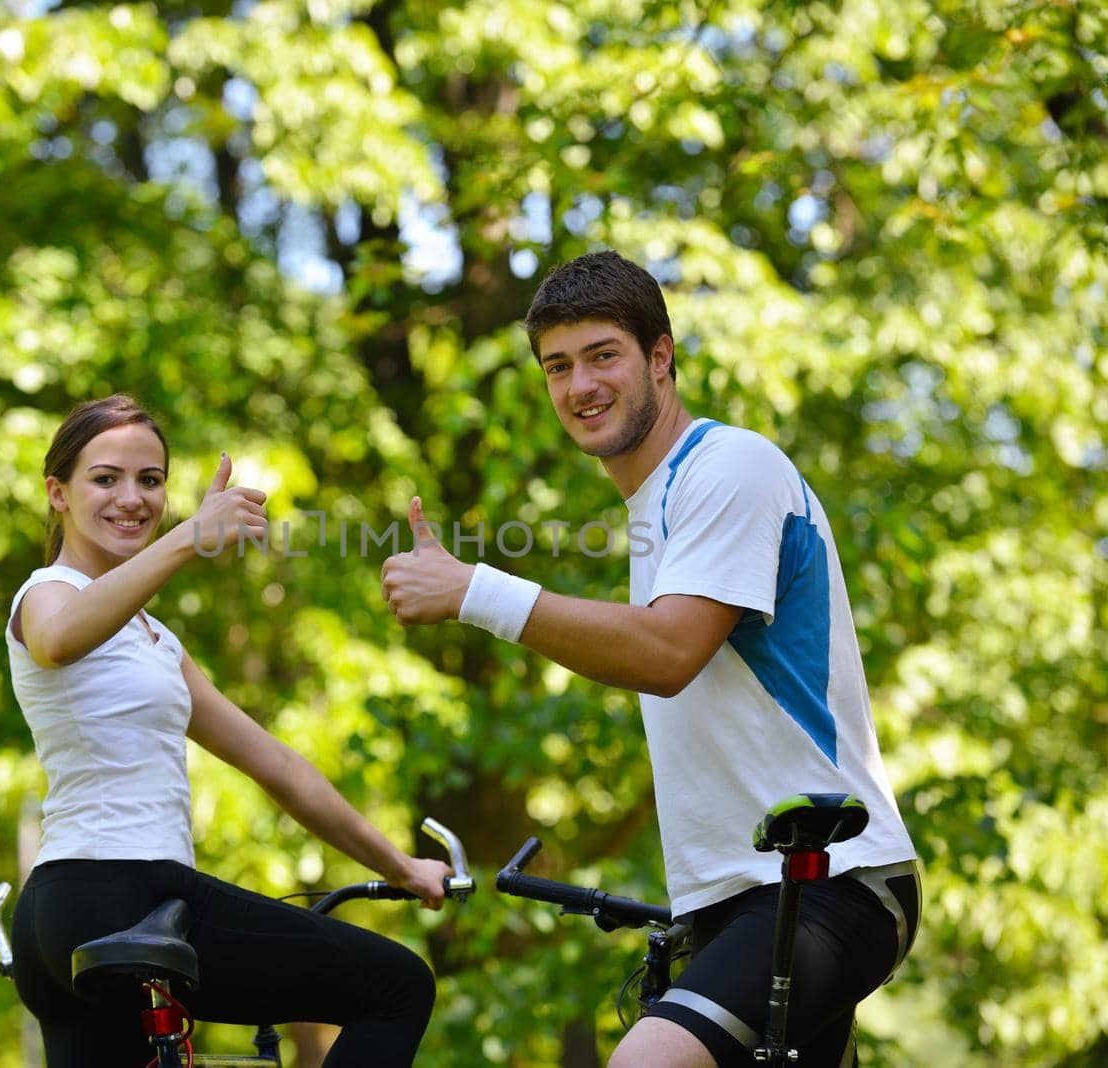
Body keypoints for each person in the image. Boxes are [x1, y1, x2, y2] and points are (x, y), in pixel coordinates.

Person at [380, 251, 920, 1068]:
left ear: (660, 357)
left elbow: (668, 652)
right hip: (733, 898)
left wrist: (470, 592)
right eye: (557, 367)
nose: (579, 386)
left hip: (829, 877)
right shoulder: (656, 510)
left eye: (603, 355)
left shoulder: (728, 469)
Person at [7, 394, 450, 1068]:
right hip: (119, 894)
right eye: (106, 478)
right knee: (397, 985)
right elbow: (58, 639)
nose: (132, 497)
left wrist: (403, 867)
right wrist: (188, 537)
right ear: (57, 493)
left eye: (150, 480)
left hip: (66, 920)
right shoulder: (48, 592)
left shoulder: (153, 639)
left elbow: (277, 766)